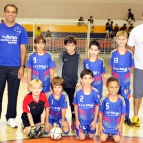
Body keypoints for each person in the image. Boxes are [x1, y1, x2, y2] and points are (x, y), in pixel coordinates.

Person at [0, 4, 28, 128]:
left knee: (13, 93)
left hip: (15, 67)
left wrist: (22, 66)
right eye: (8, 12)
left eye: (13, 12)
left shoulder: (21, 30)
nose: (10, 14)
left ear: (16, 14)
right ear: (4, 13)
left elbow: (23, 50)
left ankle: (10, 117)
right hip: (0, 66)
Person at [109, 31, 135, 126]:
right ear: (116, 40)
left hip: (125, 83)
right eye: (119, 39)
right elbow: (112, 69)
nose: (121, 41)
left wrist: (129, 83)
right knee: (114, 98)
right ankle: (114, 116)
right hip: (115, 83)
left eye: (123, 39)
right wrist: (111, 83)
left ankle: (126, 118)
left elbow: (130, 69)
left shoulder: (129, 54)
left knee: (126, 100)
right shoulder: (113, 53)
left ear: (126, 40)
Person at [57, 36, 82, 125]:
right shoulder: (62, 55)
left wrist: (79, 82)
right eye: (68, 45)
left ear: (75, 46)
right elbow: (59, 68)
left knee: (73, 102)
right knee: (61, 100)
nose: (70, 47)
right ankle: (59, 116)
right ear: (65, 46)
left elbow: (79, 69)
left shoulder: (78, 56)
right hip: (64, 83)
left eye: (72, 45)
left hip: (73, 84)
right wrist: (59, 81)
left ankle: (73, 116)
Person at [73, 69, 100, 140]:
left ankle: (88, 129)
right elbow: (76, 106)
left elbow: (97, 106)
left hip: (91, 119)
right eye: (85, 78)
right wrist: (77, 120)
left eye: (89, 78)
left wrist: (95, 121)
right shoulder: (78, 91)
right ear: (81, 80)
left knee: (91, 137)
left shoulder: (95, 92)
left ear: (93, 80)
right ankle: (77, 127)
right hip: (81, 120)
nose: (87, 80)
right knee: (81, 138)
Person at [127, 13, 143, 127]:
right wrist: (137, 55)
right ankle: (136, 116)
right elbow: (130, 46)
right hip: (139, 67)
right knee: (137, 93)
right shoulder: (136, 31)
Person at [99, 77, 126, 143]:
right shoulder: (104, 99)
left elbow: (123, 114)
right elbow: (100, 112)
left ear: (119, 87)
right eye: (111, 87)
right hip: (105, 126)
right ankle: (106, 133)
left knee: (117, 140)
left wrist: (120, 125)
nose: (114, 89)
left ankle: (113, 133)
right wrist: (100, 125)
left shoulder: (121, 99)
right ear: (107, 87)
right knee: (102, 139)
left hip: (116, 126)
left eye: (116, 87)